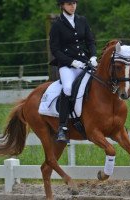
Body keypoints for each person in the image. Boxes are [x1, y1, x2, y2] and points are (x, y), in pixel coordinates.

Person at [49, 0, 98, 142]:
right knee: (68, 88)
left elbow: (90, 41)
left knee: (99, 84)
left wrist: (94, 56)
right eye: (69, 4)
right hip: (67, 66)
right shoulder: (57, 25)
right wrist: (71, 62)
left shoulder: (82, 20)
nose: (73, 6)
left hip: (85, 62)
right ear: (62, 6)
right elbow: (55, 50)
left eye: (74, 3)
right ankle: (63, 127)